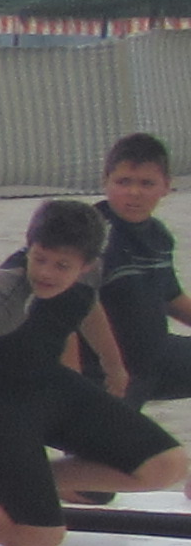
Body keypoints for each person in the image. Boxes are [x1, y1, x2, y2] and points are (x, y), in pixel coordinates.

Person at [0, 199, 191, 546]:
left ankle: (11, 483)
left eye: (62, 265)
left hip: (45, 382)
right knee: (39, 536)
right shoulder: (6, 295)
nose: (46, 273)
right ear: (29, 247)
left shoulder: (90, 271)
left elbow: (87, 305)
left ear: (86, 264)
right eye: (40, 258)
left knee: (166, 465)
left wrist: (113, 366)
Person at [94, 134, 191, 403]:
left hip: (158, 355)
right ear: (105, 181)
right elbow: (65, 310)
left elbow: (171, 297)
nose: (134, 193)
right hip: (110, 371)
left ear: (166, 186)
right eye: (123, 182)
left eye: (147, 183)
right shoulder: (89, 236)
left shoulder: (159, 236)